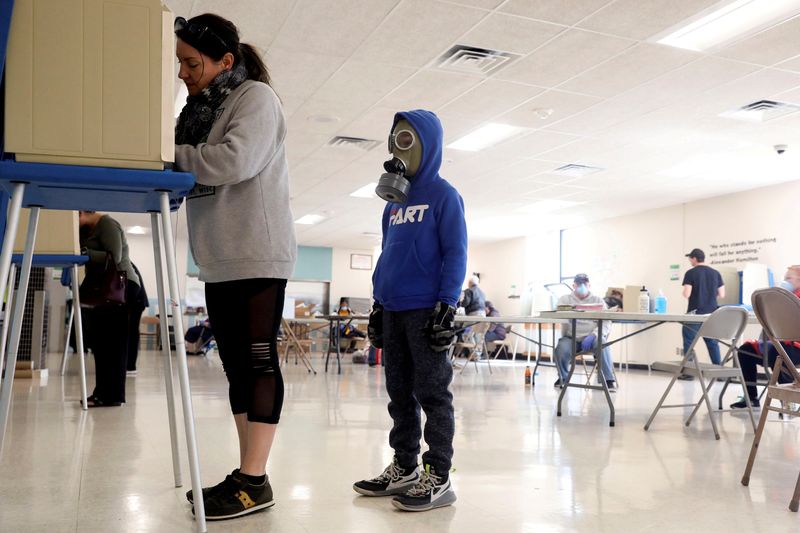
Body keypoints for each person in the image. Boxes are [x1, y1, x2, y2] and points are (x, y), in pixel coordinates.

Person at [173, 13, 297, 521]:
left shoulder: (255, 98)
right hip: (219, 256)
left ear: (226, 60)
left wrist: (168, 157)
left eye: (190, 62)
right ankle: (251, 474)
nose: (182, 72)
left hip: (257, 250)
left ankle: (253, 480)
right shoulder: (200, 107)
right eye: (179, 62)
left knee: (259, 361)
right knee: (234, 367)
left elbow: (233, 161)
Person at [353, 109, 467, 512]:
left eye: (406, 140)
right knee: (398, 393)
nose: (398, 147)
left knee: (433, 394)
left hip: (425, 310)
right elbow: (388, 255)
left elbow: (456, 252)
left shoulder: (444, 196)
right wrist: (377, 304)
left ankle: (438, 475)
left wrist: (447, 305)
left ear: (427, 145)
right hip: (394, 309)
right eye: (395, 138)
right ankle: (404, 467)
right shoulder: (393, 203)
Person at [78, 211, 143, 407]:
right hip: (106, 290)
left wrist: (83, 252)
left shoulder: (107, 224)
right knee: (102, 344)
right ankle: (102, 393)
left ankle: (111, 395)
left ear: (82, 211)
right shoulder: (89, 229)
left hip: (121, 287)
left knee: (113, 344)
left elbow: (114, 256)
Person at [731, 266, 800, 409]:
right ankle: (751, 397)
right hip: (779, 345)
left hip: (795, 348)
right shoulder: (783, 298)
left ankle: (788, 401)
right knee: (745, 350)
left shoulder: (794, 299)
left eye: (789, 278)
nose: (785, 281)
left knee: (779, 354)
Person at [553, 273, 617, 391]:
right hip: (571, 338)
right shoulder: (565, 299)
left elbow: (607, 322)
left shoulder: (598, 300)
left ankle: (608, 380)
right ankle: (563, 377)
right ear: (574, 285)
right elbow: (559, 313)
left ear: (589, 285)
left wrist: (594, 335)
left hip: (592, 338)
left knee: (602, 343)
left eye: (584, 283)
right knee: (561, 348)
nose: (582, 286)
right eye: (579, 283)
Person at [681, 248, 725, 373]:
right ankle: (719, 372)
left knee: (689, 343)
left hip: (694, 314)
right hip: (711, 315)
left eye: (690, 258)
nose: (690, 260)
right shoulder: (715, 273)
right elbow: (722, 294)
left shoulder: (690, 273)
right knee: (712, 343)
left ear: (694, 258)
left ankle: (688, 372)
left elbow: (686, 294)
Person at [126, 263, 149, 375]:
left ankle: (130, 366)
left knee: (131, 333)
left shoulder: (121, 261)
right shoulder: (124, 262)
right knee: (130, 333)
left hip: (136, 300)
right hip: (134, 298)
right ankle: (129, 365)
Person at [459, 275, 486, 357]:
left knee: (466, 333)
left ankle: (474, 354)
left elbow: (465, 303)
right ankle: (478, 355)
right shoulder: (482, 292)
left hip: (473, 314)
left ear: (470, 283)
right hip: (482, 314)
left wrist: (460, 302)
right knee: (478, 335)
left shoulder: (469, 291)